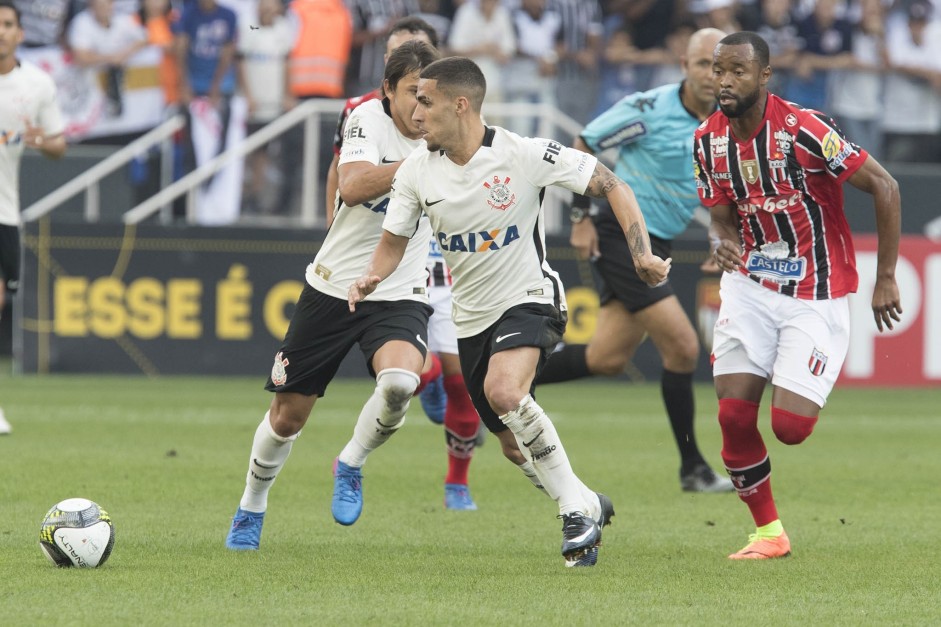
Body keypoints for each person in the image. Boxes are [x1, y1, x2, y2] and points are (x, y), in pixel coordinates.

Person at [348, 56, 671, 567]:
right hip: (469, 320)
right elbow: (392, 244)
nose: (415, 113)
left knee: (505, 392)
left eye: (425, 102)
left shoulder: (523, 153)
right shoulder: (414, 170)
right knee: (515, 448)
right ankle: (587, 500)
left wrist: (641, 254)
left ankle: (573, 515)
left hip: (530, 299)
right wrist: (371, 275)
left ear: (460, 105)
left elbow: (612, 183)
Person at [224, 40, 442, 551]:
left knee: (400, 381)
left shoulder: (449, 135)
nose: (421, 107)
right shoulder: (366, 117)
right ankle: (251, 505)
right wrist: (418, 168)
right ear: (388, 90)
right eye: (413, 92)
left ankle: (350, 462)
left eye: (430, 96)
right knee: (287, 417)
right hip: (333, 283)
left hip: (400, 288)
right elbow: (353, 184)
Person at [695, 31, 902, 559]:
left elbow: (886, 186)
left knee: (789, 428)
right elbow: (721, 218)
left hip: (816, 289)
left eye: (737, 71)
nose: (724, 80)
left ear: (765, 76)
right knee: (733, 415)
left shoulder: (803, 129)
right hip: (749, 285)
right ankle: (769, 534)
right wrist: (720, 244)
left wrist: (885, 277)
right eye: (718, 70)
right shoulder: (706, 140)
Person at [535, 28, 734, 494]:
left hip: (658, 241)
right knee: (683, 347)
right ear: (683, 65)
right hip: (623, 235)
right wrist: (582, 217)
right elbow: (583, 145)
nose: (712, 75)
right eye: (704, 64)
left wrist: (719, 236)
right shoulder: (650, 110)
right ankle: (694, 469)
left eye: (720, 67)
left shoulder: (725, 122)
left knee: (607, 357)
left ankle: (503, 379)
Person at [325, 17, 482, 511]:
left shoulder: (455, 111)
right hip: (387, 250)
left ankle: (457, 481)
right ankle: (425, 372)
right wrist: (330, 226)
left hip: (445, 255)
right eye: (397, 56)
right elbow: (344, 175)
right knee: (412, 371)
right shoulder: (360, 113)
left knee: (465, 380)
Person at [0, 0, 67, 434]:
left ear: (21, 33)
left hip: (5, 210)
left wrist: (41, 138)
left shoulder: (37, 84)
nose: (0, 32)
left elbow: (58, 144)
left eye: (7, 24)